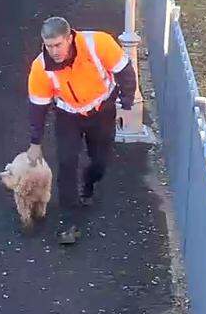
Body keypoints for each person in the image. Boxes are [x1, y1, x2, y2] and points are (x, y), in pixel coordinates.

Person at [27, 17, 136, 245]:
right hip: (68, 117)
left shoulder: (99, 43)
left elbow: (125, 73)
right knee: (66, 163)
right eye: (48, 46)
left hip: (102, 111)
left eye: (58, 45)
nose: (53, 51)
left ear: (69, 38)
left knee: (100, 161)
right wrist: (35, 143)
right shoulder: (40, 68)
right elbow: (38, 107)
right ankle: (69, 223)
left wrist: (126, 106)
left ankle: (89, 182)